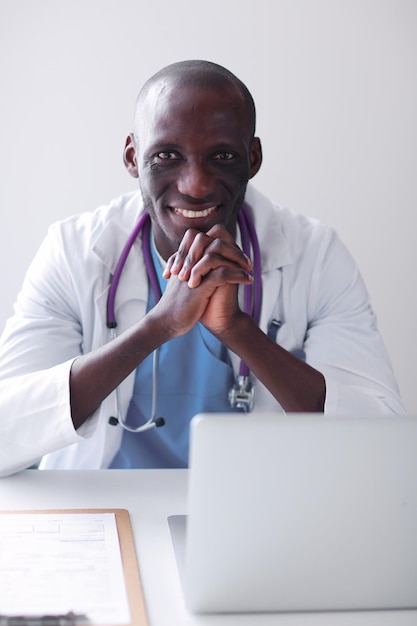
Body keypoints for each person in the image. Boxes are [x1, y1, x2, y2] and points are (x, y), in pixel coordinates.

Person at [0, 60, 404, 476]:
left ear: (253, 158)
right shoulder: (75, 251)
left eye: (223, 155)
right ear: (132, 158)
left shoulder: (315, 256)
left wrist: (237, 330)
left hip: (260, 510)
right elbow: (6, 432)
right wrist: (158, 326)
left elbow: (380, 445)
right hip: (105, 513)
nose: (196, 185)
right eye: (166, 156)